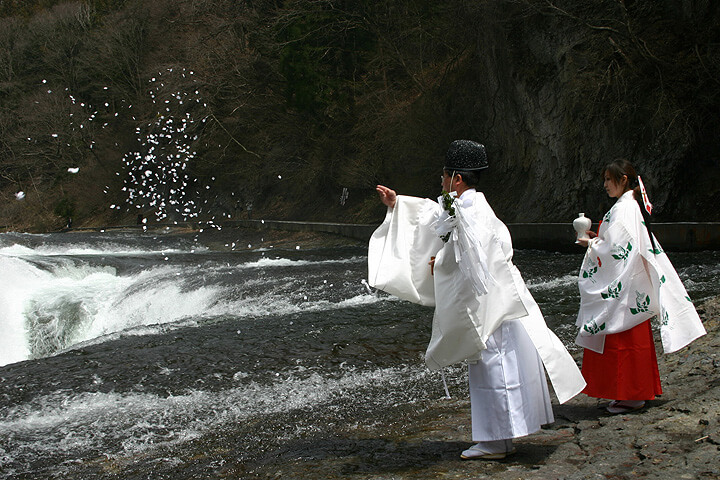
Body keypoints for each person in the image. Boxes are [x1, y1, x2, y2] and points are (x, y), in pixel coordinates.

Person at [368, 140, 586, 460]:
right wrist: (397, 202)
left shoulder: (470, 212)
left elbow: (472, 257)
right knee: (500, 365)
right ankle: (502, 437)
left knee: (492, 366)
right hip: (496, 298)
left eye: (444, 176)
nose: (440, 182)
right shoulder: (468, 205)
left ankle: (496, 441)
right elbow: (433, 214)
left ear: (457, 178)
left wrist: (438, 263)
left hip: (489, 302)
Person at [575, 159, 706, 414]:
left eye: (608, 179)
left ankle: (631, 395)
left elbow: (616, 250)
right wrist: (598, 240)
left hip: (625, 285)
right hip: (631, 283)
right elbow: (618, 244)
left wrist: (591, 245)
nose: (605, 185)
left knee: (622, 340)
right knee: (630, 340)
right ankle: (631, 392)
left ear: (623, 180)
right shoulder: (629, 206)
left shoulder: (624, 209)